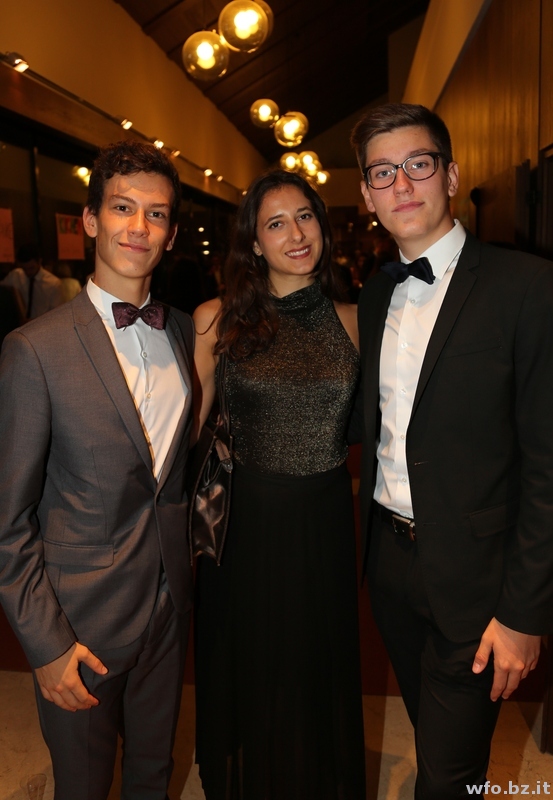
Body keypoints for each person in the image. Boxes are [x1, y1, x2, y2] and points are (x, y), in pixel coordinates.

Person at [350, 103, 553, 799]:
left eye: (418, 163)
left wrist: (524, 613)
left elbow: (548, 465)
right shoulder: (376, 293)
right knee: (432, 739)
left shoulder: (527, 287)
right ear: (366, 195)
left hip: (479, 580)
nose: (401, 184)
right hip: (390, 566)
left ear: (451, 175)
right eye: (382, 172)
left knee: (447, 776)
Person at [0, 140, 195, 800]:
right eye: (122, 208)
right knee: (82, 786)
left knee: (152, 775)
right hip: (78, 624)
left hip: (167, 608)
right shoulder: (33, 350)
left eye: (156, 214)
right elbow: (8, 522)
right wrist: (46, 645)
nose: (139, 227)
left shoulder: (183, 334)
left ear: (171, 233)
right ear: (89, 220)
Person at [192, 169, 366, 800]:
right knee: (253, 663)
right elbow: (183, 433)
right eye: (276, 223)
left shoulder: (356, 320)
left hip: (324, 519)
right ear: (254, 243)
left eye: (305, 217)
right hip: (246, 524)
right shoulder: (215, 320)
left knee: (316, 662)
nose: (296, 234)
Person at [2, 243, 64, 318]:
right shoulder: (16, 275)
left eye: (31, 268)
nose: (28, 272)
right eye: (24, 268)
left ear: (39, 261)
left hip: (42, 323)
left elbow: (57, 314)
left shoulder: (53, 284)